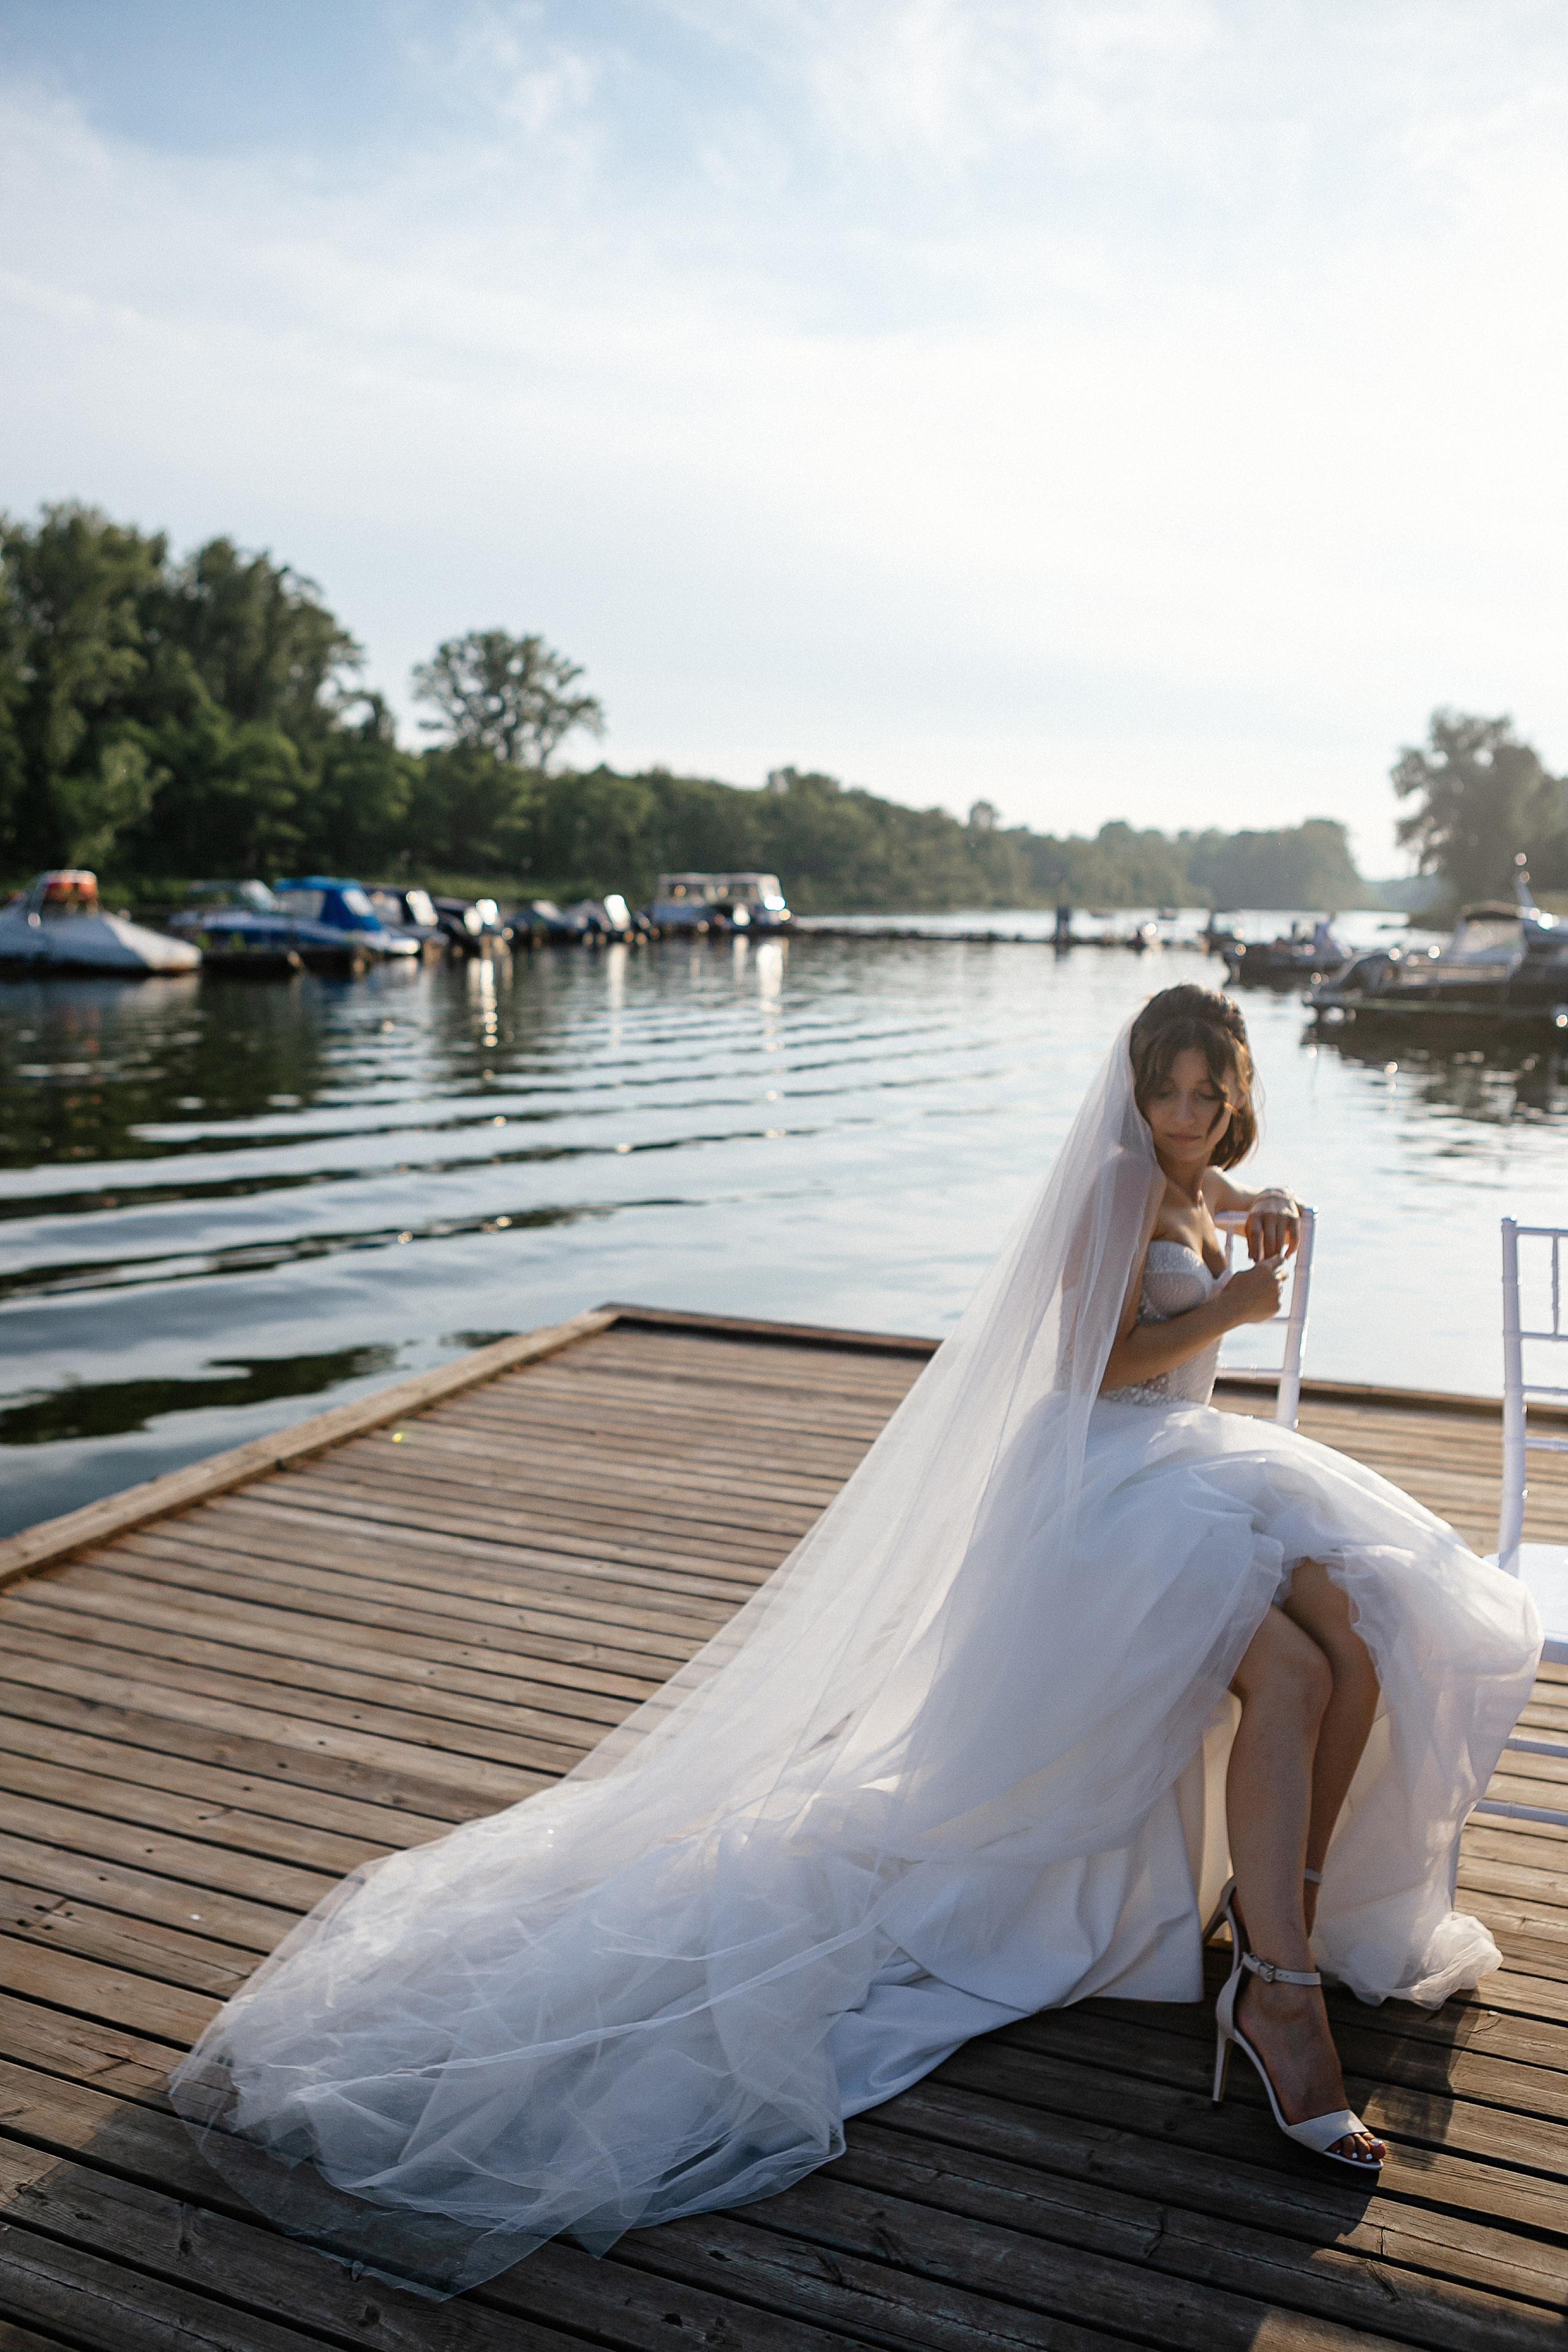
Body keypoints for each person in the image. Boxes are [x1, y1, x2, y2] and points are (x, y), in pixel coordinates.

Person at [171, 984, 1541, 2297]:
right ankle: (1278, 1999)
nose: (1186, 1112)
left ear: (1235, 1100)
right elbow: (1076, 1369)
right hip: (1104, 1484)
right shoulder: (1119, 1185)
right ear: (1130, 1097)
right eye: (1165, 1090)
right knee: (1298, 1669)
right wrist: (1231, 1312)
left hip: (1184, 1473)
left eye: (1210, 1094)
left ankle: (1268, 1916)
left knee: (1369, 1635)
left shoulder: (1190, 1181)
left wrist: (1262, 1203)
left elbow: (1219, 1195)